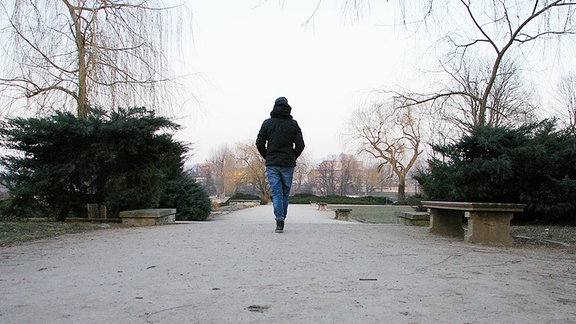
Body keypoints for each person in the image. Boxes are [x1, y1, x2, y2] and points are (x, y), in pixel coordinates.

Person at [256, 96, 305, 233]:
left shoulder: (267, 123)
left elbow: (259, 143)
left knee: (276, 192)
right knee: (285, 193)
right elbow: (300, 145)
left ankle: (279, 219)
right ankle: (282, 218)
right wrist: (293, 156)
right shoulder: (293, 124)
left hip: (272, 162)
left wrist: (267, 155)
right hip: (287, 163)